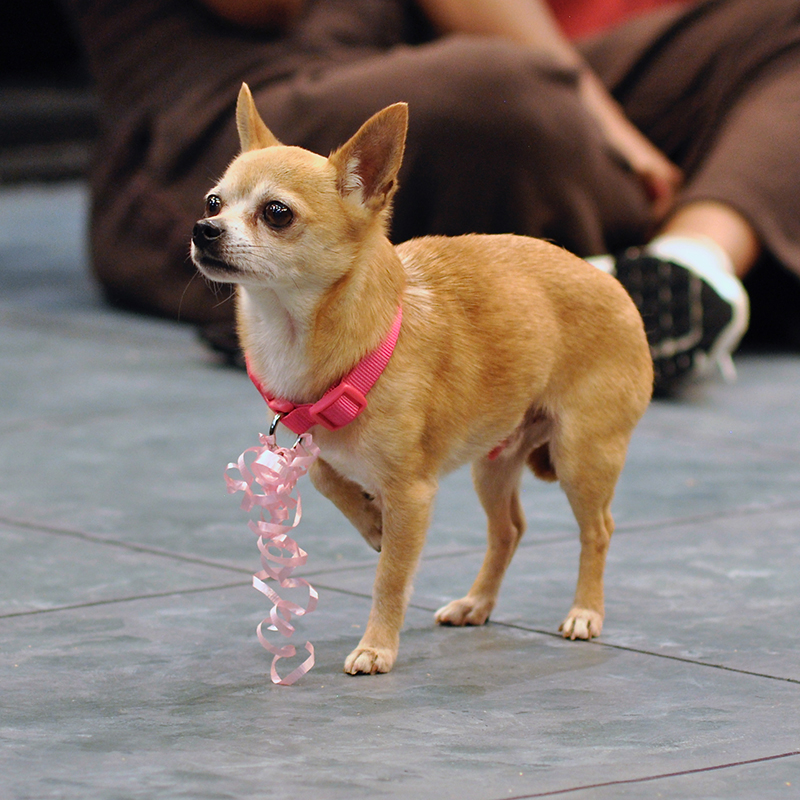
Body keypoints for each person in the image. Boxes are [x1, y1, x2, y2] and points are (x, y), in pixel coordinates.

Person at [63, 0, 800, 394]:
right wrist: (587, 114)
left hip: (409, 72)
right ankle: (610, 280)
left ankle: (688, 268)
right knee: (499, 94)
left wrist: (598, 109)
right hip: (223, 122)